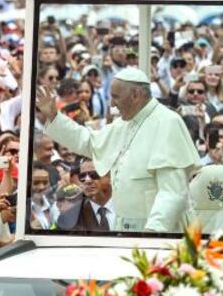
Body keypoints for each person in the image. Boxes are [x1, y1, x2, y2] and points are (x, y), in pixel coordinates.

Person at [37, 67, 201, 232]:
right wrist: (54, 116)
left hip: (160, 231)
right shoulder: (124, 123)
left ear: (136, 95)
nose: (112, 104)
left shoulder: (167, 122)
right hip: (127, 228)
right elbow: (88, 142)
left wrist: (154, 231)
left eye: (116, 97)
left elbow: (172, 191)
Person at [57, 160, 114, 231]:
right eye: (82, 176)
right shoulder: (69, 218)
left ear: (111, 177)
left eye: (93, 175)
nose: (87, 180)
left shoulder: (129, 208)